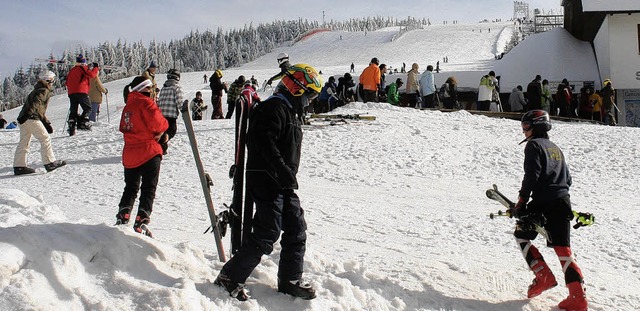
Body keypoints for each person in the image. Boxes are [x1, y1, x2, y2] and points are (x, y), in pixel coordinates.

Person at [214, 64, 322, 301]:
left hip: (283, 183)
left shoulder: (289, 112)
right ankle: (229, 277)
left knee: (296, 228)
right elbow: (262, 142)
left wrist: (286, 175)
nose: (309, 102)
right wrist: (281, 170)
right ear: (297, 89)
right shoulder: (273, 108)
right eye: (309, 95)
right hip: (266, 180)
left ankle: (290, 280)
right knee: (267, 232)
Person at [511, 110, 588, 311]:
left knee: (521, 234)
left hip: (543, 202)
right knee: (563, 248)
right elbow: (568, 179)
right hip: (563, 201)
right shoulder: (555, 148)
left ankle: (542, 276)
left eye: (526, 126)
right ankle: (577, 297)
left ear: (536, 126)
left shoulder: (533, 145)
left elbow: (531, 175)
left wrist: (521, 202)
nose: (524, 131)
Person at [116, 76, 169, 238]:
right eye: (150, 87)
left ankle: (123, 215)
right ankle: (142, 219)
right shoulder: (146, 103)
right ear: (144, 88)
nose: (153, 90)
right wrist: (164, 132)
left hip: (130, 153)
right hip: (148, 151)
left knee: (130, 187)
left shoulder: (128, 105)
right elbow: (160, 124)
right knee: (148, 188)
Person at [13, 70, 67, 175]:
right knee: (45, 138)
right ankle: (49, 162)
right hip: (31, 118)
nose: (52, 83)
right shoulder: (44, 90)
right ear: (48, 80)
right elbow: (36, 103)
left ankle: (19, 166)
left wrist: (45, 122)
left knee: (24, 142)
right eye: (52, 80)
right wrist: (28, 114)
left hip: (24, 119)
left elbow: (39, 110)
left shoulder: (36, 89)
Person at [66, 54, 99, 135]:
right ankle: (82, 123)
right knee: (88, 108)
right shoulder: (82, 68)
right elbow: (91, 75)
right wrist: (96, 68)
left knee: (73, 110)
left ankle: (71, 126)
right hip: (81, 91)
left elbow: (67, 82)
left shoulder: (72, 70)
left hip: (71, 92)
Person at [156, 69, 183, 155]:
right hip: (171, 114)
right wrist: (183, 109)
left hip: (161, 114)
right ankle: (162, 144)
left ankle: (162, 149)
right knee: (172, 131)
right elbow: (179, 101)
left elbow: (159, 101)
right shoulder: (176, 87)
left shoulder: (164, 88)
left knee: (163, 131)